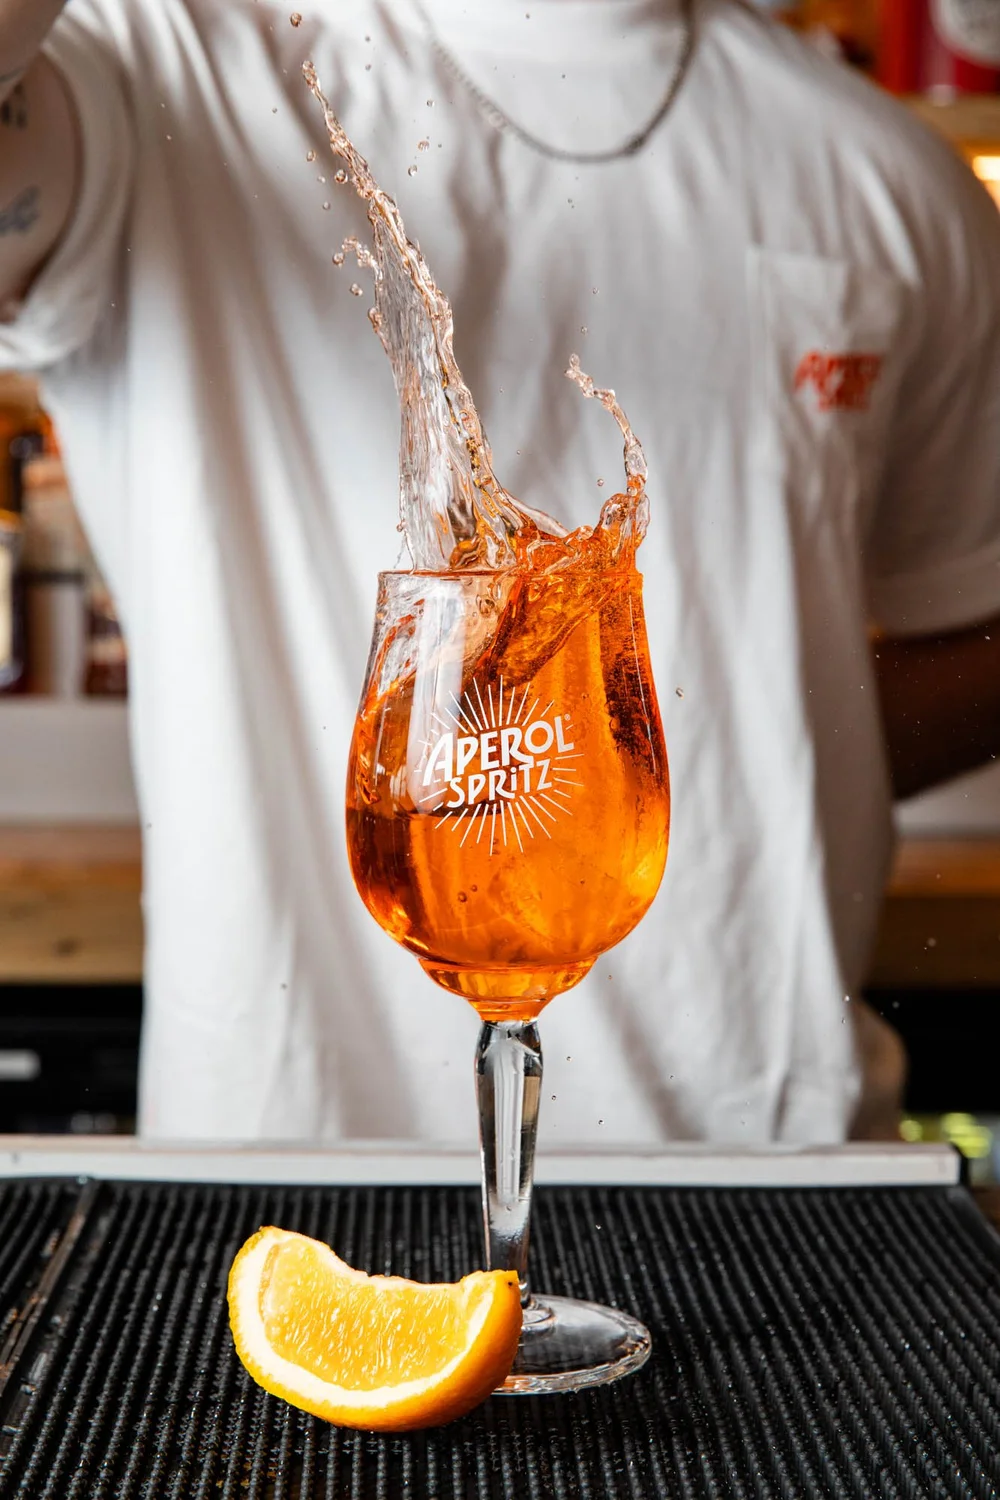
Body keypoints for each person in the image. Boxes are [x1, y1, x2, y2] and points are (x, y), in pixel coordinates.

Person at [1, 0, 999, 1147]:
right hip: (294, 1186)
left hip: (774, 1155)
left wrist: (732, 750)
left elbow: (973, 623)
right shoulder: (153, 73)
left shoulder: (886, 174)